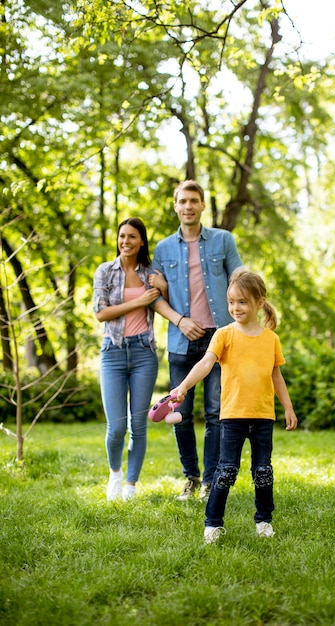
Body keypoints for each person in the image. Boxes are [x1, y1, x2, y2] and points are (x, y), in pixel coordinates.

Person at [171, 268, 298, 543]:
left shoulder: (270, 340)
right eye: (231, 302)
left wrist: (287, 407)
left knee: (262, 471)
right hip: (232, 416)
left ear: (259, 303)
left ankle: (264, 521)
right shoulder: (224, 335)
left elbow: (276, 375)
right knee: (226, 470)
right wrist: (183, 386)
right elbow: (206, 363)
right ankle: (212, 524)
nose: (235, 307)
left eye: (242, 302)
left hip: (263, 416)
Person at [150, 180, 243, 501]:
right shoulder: (162, 249)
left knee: (216, 412)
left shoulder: (223, 240)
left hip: (219, 340)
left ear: (203, 205)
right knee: (181, 412)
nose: (188, 206)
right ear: (175, 206)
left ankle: (210, 480)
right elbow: (154, 297)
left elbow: (240, 280)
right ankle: (189, 477)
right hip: (181, 340)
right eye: (182, 201)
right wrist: (180, 320)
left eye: (194, 201)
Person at [93, 217, 168, 501]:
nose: (126, 241)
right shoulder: (104, 271)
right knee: (116, 427)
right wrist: (137, 302)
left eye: (132, 237)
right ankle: (115, 473)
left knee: (138, 425)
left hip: (143, 354)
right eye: (122, 236)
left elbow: (167, 304)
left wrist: (163, 286)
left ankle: (132, 485)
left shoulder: (150, 273)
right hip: (112, 352)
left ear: (141, 241)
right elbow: (101, 313)